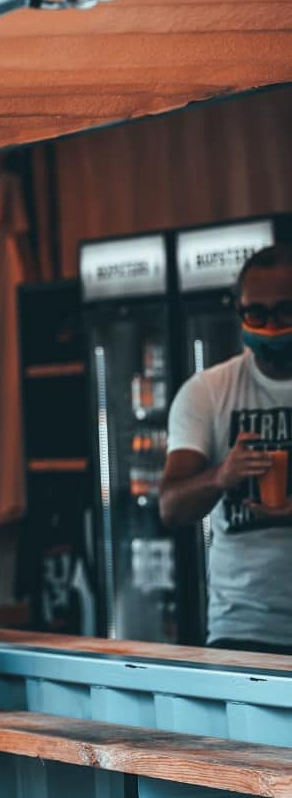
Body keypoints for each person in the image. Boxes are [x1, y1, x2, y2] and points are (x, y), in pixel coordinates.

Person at [160, 243, 292, 654]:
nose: (270, 325)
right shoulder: (208, 392)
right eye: (257, 313)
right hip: (244, 628)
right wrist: (221, 475)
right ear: (240, 311)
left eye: (285, 311)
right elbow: (171, 507)